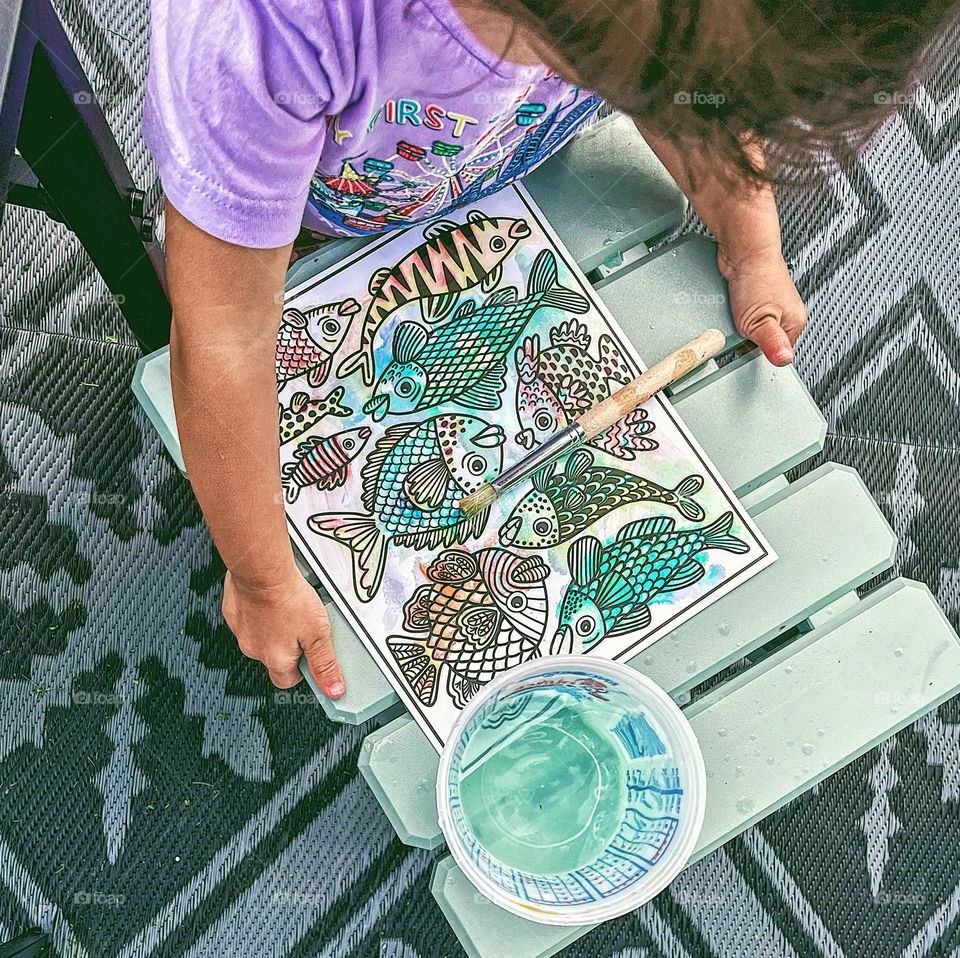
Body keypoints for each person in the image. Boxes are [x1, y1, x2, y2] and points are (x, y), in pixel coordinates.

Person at [143, 0, 954, 699]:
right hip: (311, 216)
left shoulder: (660, 32)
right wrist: (261, 577)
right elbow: (223, 335)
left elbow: (690, 83)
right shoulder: (268, 33)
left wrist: (750, 237)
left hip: (506, 160)